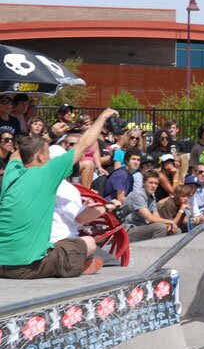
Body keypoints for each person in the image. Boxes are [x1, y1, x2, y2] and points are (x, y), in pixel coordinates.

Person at [0, 107, 117, 279]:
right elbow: (83, 145)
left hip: (2, 263)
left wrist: (49, 135)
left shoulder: (12, 172)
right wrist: (103, 117)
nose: (50, 159)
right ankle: (73, 264)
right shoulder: (47, 173)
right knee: (88, 243)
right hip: (25, 267)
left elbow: (18, 153)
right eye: (48, 154)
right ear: (39, 156)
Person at [123, 170, 179, 242]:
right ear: (143, 183)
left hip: (142, 227)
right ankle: (154, 251)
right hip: (129, 229)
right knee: (160, 227)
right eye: (151, 183)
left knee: (175, 231)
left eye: (156, 184)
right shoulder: (137, 195)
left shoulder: (151, 197)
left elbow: (156, 216)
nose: (153, 186)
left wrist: (168, 224)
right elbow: (150, 218)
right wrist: (170, 221)